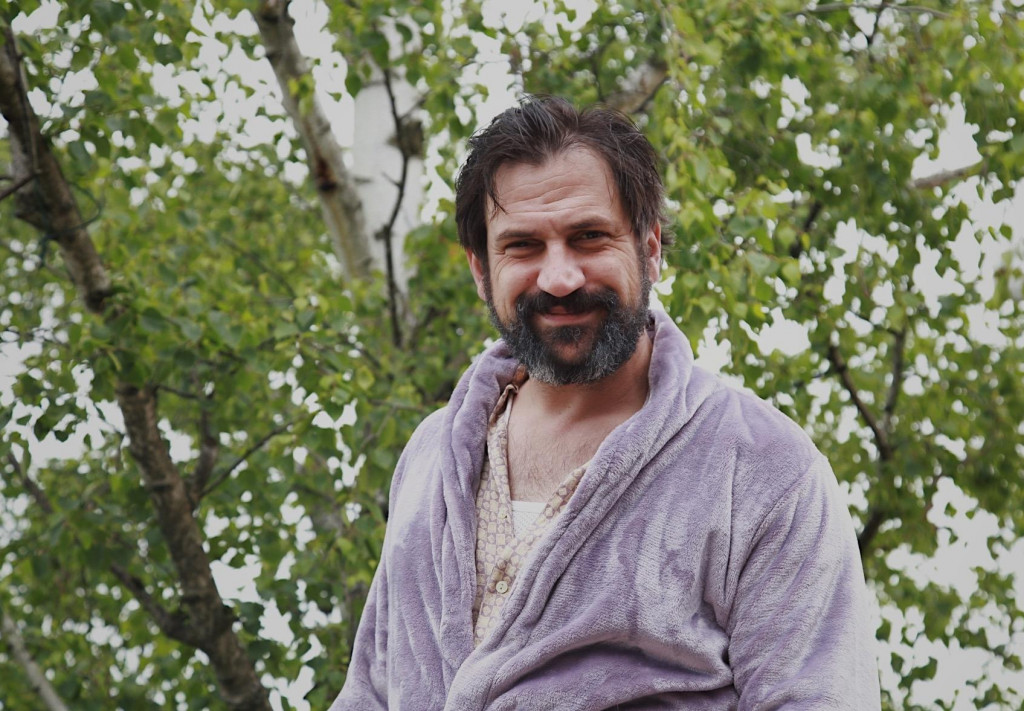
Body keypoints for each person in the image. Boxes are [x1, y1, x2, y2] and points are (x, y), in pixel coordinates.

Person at [329, 96, 881, 710]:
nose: (560, 278)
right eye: (523, 246)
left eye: (589, 237)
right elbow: (369, 693)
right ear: (481, 271)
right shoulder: (432, 454)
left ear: (650, 248)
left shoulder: (765, 472)